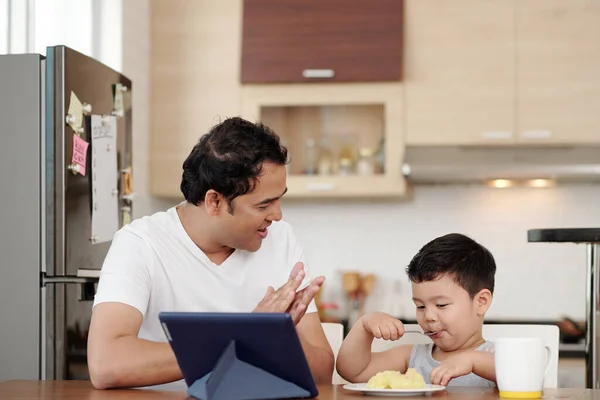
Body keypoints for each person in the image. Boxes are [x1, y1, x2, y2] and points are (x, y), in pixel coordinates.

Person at [87, 117, 334, 389]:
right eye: (264, 205)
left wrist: (280, 336)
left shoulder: (282, 240)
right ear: (214, 201)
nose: (277, 215)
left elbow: (322, 375)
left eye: (279, 199)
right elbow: (106, 364)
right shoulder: (139, 244)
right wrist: (245, 337)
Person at [336, 233, 497, 387]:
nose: (428, 316)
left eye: (441, 305)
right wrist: (364, 325)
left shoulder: (496, 357)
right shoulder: (413, 357)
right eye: (420, 306)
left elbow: (519, 375)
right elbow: (354, 372)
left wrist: (472, 361)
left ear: (481, 302)